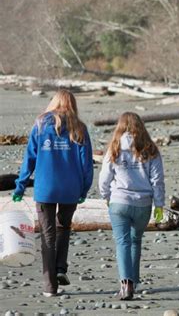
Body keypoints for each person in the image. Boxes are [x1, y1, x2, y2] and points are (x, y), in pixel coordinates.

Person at [13, 89, 93, 297]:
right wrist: (84, 189)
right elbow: (86, 165)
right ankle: (60, 269)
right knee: (63, 227)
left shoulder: (40, 124)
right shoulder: (80, 127)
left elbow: (29, 158)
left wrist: (20, 186)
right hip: (71, 189)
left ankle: (50, 287)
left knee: (48, 235)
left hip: (45, 189)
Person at [98, 112, 165, 300]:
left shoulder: (115, 147)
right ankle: (134, 281)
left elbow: (104, 177)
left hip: (119, 201)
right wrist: (159, 206)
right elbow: (157, 181)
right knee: (136, 240)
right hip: (143, 203)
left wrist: (106, 196)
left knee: (122, 242)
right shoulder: (150, 149)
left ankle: (126, 284)